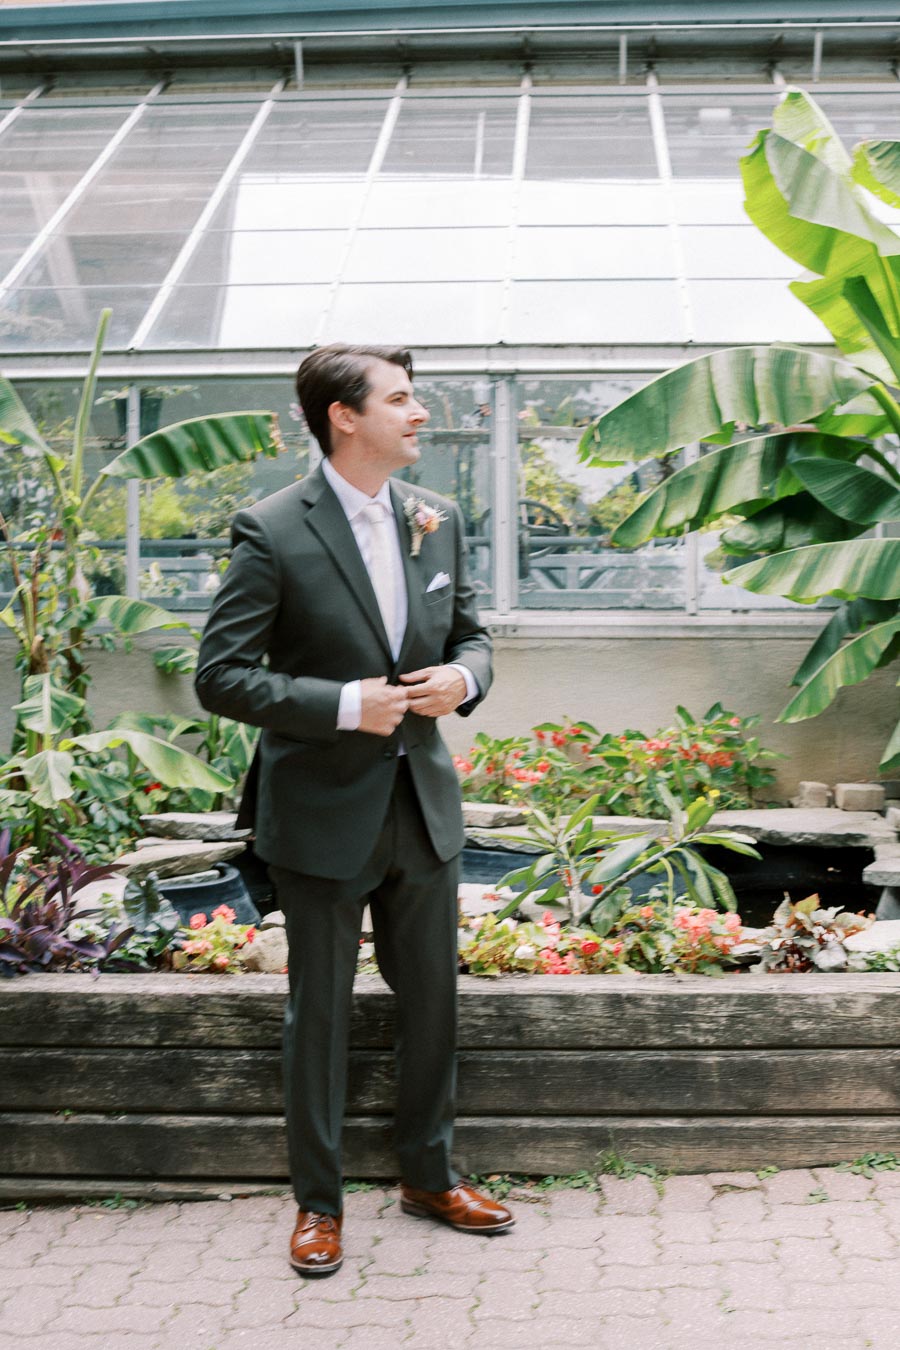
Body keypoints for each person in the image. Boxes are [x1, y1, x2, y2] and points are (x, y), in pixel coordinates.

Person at [195, 343, 514, 1277]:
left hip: (422, 803)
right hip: (320, 810)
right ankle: (319, 1205)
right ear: (344, 416)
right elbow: (222, 675)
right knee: (319, 1015)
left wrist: (464, 677)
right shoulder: (270, 528)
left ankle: (429, 1175)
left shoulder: (437, 518)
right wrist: (343, 704)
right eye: (403, 399)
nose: (420, 414)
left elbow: (474, 636)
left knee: (435, 1007)